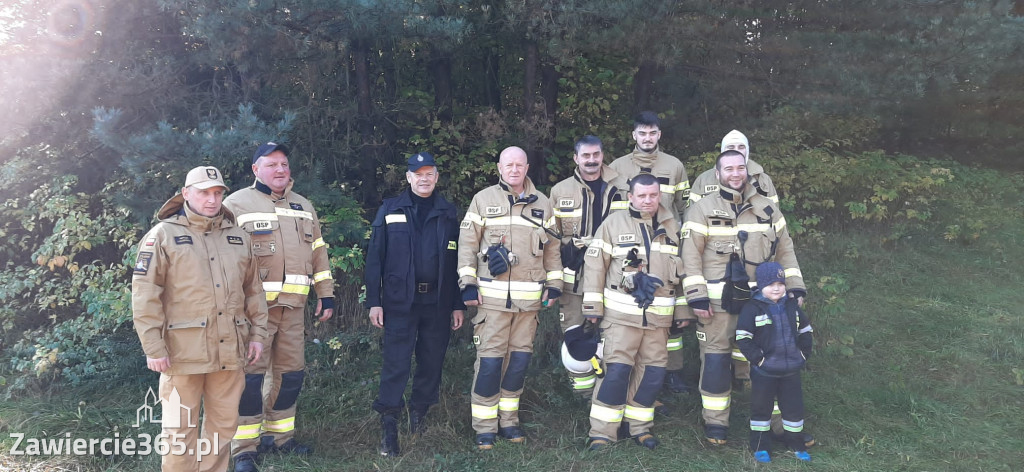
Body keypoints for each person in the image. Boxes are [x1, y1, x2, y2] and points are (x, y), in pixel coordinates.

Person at [132, 166, 268, 472]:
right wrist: (153, 347)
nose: (212, 199)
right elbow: (145, 294)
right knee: (180, 430)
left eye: (218, 193)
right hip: (182, 353)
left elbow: (254, 292)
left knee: (222, 427)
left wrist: (259, 335)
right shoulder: (163, 235)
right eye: (204, 192)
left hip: (230, 351)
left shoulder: (237, 237)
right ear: (185, 194)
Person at [680, 150, 807, 446]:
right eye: (728, 169)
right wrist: (697, 296)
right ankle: (715, 423)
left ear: (748, 171)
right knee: (715, 361)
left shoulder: (767, 208)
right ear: (717, 173)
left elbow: (785, 250)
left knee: (770, 361)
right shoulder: (701, 209)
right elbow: (690, 256)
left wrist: (795, 286)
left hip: (762, 301)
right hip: (716, 304)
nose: (735, 174)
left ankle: (776, 423)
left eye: (740, 168)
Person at [224, 143, 334, 471]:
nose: (280, 170)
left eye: (284, 163)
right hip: (253, 312)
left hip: (293, 309)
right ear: (255, 169)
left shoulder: (303, 205)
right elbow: (224, 259)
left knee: (291, 375)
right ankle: (244, 448)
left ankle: (279, 437)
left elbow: (318, 251)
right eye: (271, 164)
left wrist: (325, 292)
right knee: (250, 379)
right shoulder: (236, 204)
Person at [457, 146, 562, 450]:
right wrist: (467, 283)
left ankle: (509, 421)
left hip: (529, 305)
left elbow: (553, 250)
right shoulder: (483, 199)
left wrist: (554, 285)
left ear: (527, 167)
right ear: (499, 168)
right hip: (492, 304)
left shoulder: (543, 203)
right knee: (490, 363)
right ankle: (485, 427)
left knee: (518, 363)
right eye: (508, 165)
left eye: (519, 164)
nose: (514, 170)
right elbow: (467, 245)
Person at [364, 152, 466, 456]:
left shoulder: (449, 213)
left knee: (431, 360)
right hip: (399, 302)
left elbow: (459, 262)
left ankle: (419, 411)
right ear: (408, 178)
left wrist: (458, 304)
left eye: (429, 173)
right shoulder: (390, 209)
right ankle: (389, 422)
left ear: (436, 177)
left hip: (438, 302)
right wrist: (374, 302)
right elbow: (374, 259)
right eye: (418, 174)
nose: (424, 179)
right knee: (396, 363)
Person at [580, 173, 688, 451]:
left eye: (653, 195)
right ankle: (603, 433)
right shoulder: (613, 224)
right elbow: (594, 266)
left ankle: (639, 426)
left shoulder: (672, 226)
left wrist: (683, 310)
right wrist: (592, 307)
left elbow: (687, 271)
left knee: (652, 374)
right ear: (630, 196)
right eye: (642, 195)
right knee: (615, 373)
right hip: (620, 319)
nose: (648, 200)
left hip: (659, 320)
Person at [609, 111, 692, 395]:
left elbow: (683, 207)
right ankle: (633, 369)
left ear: (659, 135)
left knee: (667, 308)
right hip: (629, 245)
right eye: (642, 133)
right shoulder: (617, 167)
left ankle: (673, 371)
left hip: (666, 243)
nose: (647, 138)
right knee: (634, 306)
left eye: (652, 133)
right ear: (634, 135)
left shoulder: (675, 165)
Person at [549, 136, 628, 397]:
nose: (591, 160)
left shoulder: (623, 187)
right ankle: (582, 396)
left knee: (613, 336)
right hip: (575, 278)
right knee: (576, 335)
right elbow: (550, 239)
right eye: (586, 156)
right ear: (576, 158)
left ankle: (608, 391)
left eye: (596, 154)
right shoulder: (560, 191)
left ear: (603, 155)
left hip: (613, 276)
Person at [735, 261, 813, 463]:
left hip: (791, 371)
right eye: (771, 284)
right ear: (761, 286)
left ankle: (796, 444)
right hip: (764, 372)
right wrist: (759, 360)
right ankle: (761, 446)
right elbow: (743, 338)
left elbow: (806, 331)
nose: (776, 287)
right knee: (761, 409)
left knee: (793, 410)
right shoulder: (752, 308)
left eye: (780, 283)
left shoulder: (792, 306)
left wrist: (802, 355)